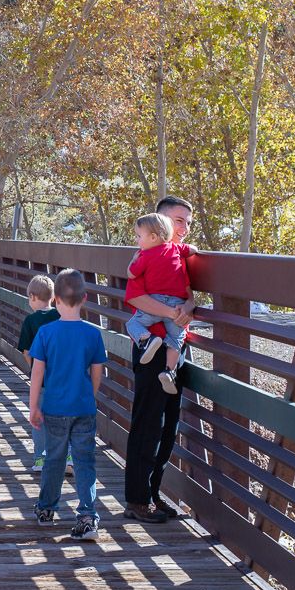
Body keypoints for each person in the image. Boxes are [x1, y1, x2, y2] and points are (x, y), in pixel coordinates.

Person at [123, 195, 197, 524]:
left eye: (188, 222)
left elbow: (190, 296)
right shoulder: (146, 254)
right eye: (178, 220)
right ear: (161, 222)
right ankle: (137, 499)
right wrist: (171, 312)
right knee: (148, 421)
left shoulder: (179, 257)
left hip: (172, 346)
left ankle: (154, 495)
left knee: (169, 423)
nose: (184, 228)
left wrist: (186, 310)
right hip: (150, 345)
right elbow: (134, 296)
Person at [28, 269, 107, 540]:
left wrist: (33, 406)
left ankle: (47, 509)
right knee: (85, 461)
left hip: (54, 408)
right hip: (83, 407)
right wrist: (91, 395)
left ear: (56, 300)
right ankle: (87, 515)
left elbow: (37, 372)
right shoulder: (92, 334)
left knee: (55, 459)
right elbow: (97, 372)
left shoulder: (46, 332)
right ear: (84, 299)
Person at [124, 212, 195, 393]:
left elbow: (131, 273)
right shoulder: (176, 250)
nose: (137, 240)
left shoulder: (144, 255)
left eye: (139, 236)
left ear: (153, 236)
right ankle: (169, 371)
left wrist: (133, 260)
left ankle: (146, 339)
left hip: (157, 304)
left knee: (133, 324)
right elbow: (191, 249)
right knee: (176, 340)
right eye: (178, 221)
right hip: (176, 306)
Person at [17, 275, 59, 474]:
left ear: (33, 297)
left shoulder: (31, 321)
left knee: (38, 418)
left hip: (41, 380)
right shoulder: (60, 316)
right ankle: (67, 456)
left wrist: (35, 369)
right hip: (61, 378)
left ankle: (40, 458)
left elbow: (26, 351)